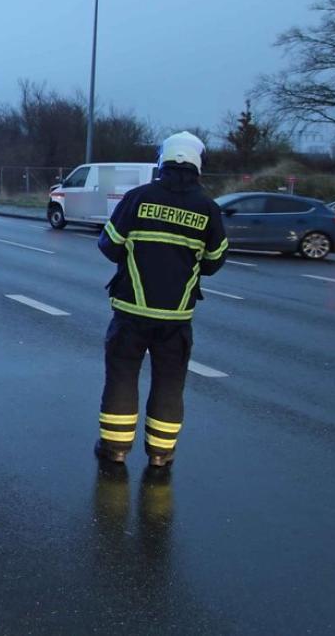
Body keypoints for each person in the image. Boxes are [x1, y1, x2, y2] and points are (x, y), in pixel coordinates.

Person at [95, 132, 228, 468]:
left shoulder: (137, 198)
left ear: (162, 161)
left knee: (122, 376)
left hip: (130, 311)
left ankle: (115, 449)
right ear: (198, 165)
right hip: (176, 318)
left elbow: (108, 244)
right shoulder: (208, 209)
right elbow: (213, 263)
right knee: (170, 383)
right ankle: (160, 454)